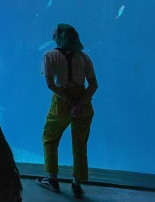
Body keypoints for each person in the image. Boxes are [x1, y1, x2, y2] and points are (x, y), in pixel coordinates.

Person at [36, 23, 98, 198]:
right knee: (80, 144)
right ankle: (77, 183)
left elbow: (51, 84)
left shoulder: (49, 56)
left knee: (50, 138)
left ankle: (52, 179)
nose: (53, 33)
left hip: (61, 103)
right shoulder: (85, 58)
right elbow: (94, 85)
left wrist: (69, 101)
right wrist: (79, 103)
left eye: (56, 31)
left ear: (61, 37)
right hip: (83, 104)